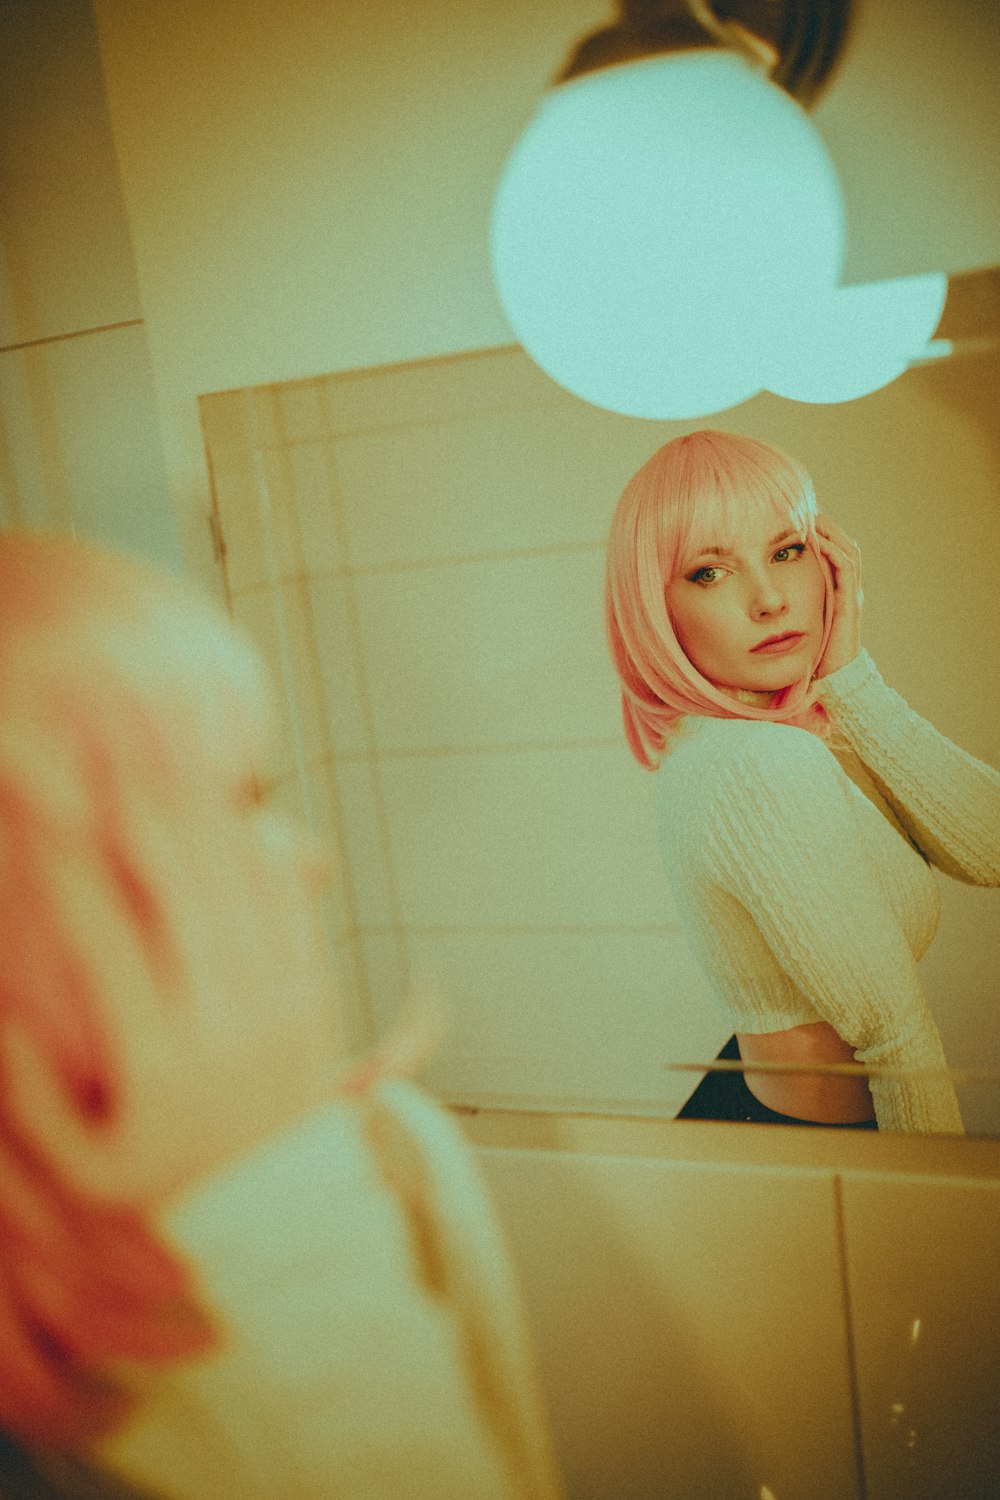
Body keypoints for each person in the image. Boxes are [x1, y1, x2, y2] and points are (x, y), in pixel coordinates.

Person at [0, 531, 564, 1499]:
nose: (309, 861)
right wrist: (275, 1234)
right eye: (234, 803)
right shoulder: (305, 1213)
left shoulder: (392, 1163)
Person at [604, 429, 1000, 1134]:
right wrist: (940, 1224)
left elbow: (990, 846)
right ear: (654, 610)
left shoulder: (773, 737)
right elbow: (895, 1037)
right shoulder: (757, 765)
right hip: (814, 1144)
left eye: (787, 552)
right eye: (709, 572)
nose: (769, 599)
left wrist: (849, 674)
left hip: (776, 1116)